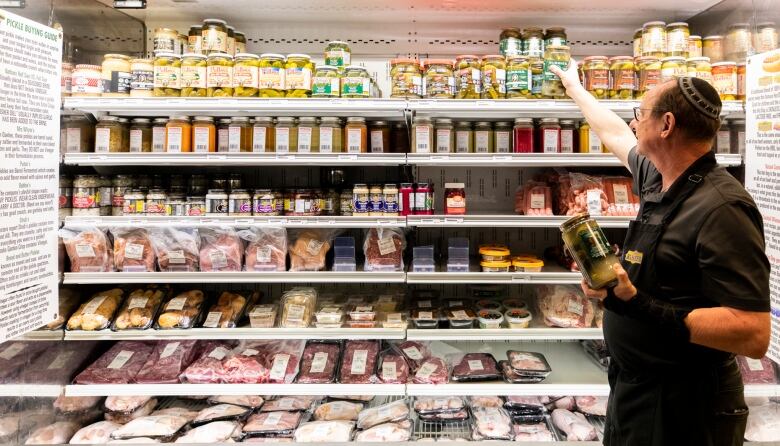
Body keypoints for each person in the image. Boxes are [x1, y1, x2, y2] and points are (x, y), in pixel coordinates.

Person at [548, 62, 771, 446]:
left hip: (687, 407)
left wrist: (638, 305)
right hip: (637, 391)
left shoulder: (722, 208)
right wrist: (575, 88)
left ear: (666, 125)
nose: (634, 124)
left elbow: (752, 333)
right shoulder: (658, 177)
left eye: (641, 114)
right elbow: (614, 131)